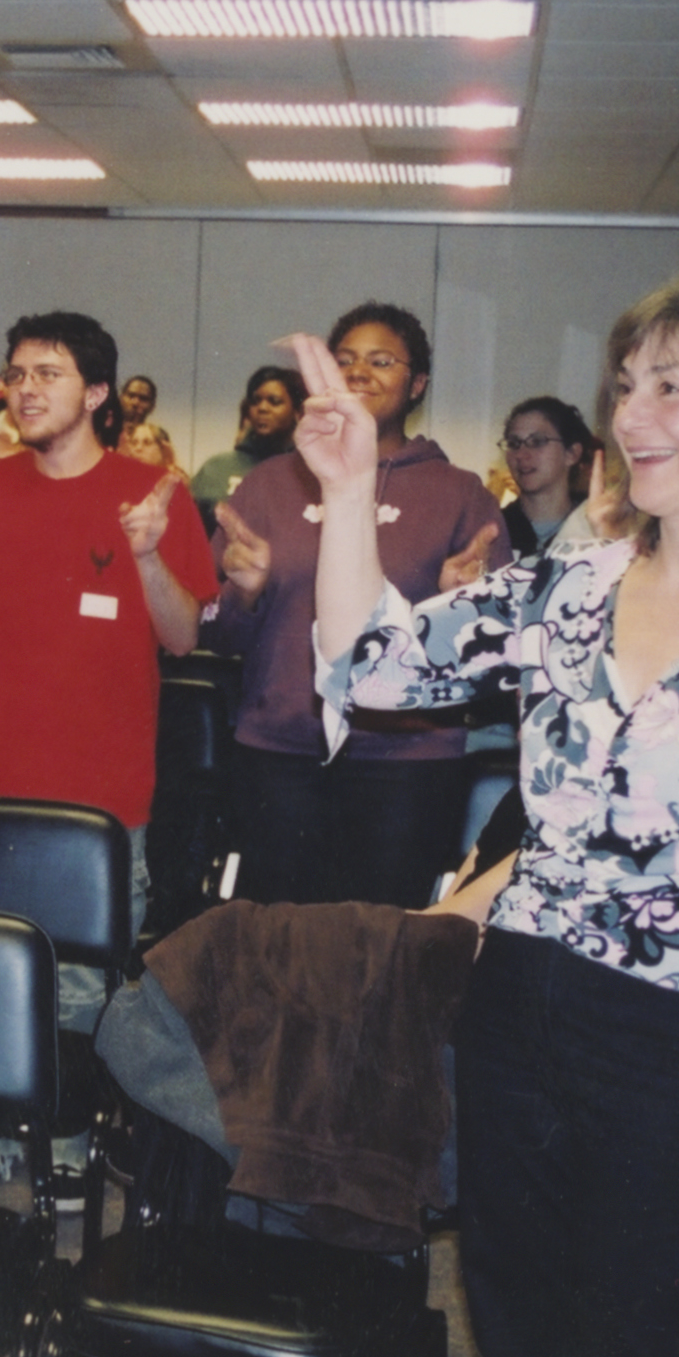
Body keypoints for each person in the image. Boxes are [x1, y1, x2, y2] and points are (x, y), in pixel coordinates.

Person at [296, 274, 679, 1357]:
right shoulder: (567, 585)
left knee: (652, 1350)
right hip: (523, 1001)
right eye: (625, 385)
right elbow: (370, 667)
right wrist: (348, 486)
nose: (630, 416)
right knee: (520, 1329)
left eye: (671, 385)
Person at [0, 310, 217, 1205]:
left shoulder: (152, 494)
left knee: (79, 990)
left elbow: (183, 636)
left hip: (104, 797)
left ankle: (67, 1136)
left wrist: (147, 556)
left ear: (98, 393)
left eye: (50, 373)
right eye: (17, 373)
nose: (26, 388)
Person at [204, 306, 509, 909]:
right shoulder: (269, 485)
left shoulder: (459, 494)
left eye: (382, 360)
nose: (360, 372)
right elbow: (223, 641)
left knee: (379, 948)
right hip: (279, 752)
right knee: (273, 943)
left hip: (408, 764)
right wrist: (244, 593)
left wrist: (457, 604)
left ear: (417, 383)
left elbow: (486, 666)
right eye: (344, 360)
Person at [189, 365, 298, 532]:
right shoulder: (216, 468)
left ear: (297, 412)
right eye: (255, 401)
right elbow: (189, 533)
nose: (262, 408)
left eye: (274, 402)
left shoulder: (309, 472)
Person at [498, 395, 593, 557]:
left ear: (572, 454)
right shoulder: (496, 530)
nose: (521, 454)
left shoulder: (594, 527)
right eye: (514, 444)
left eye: (537, 442)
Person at [116, 421, 185, 481]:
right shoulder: (123, 481)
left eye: (147, 443)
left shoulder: (175, 483)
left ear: (163, 450)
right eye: (134, 443)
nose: (138, 448)